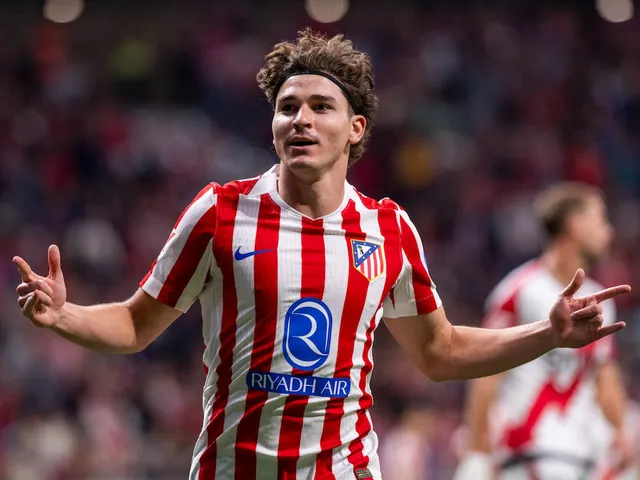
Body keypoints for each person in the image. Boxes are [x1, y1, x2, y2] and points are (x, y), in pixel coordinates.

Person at [13, 30, 631, 480]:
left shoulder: (388, 228)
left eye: (319, 107)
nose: (299, 120)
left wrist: (547, 335)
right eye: (287, 108)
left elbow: (440, 352)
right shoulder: (219, 212)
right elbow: (134, 324)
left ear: (355, 129)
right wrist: (66, 315)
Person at [454, 183, 633, 480]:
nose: (608, 232)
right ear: (574, 225)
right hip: (526, 455)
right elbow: (486, 371)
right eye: (600, 219)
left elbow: (604, 374)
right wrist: (477, 450)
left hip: (582, 456)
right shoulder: (518, 291)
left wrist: (620, 431)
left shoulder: (600, 298)